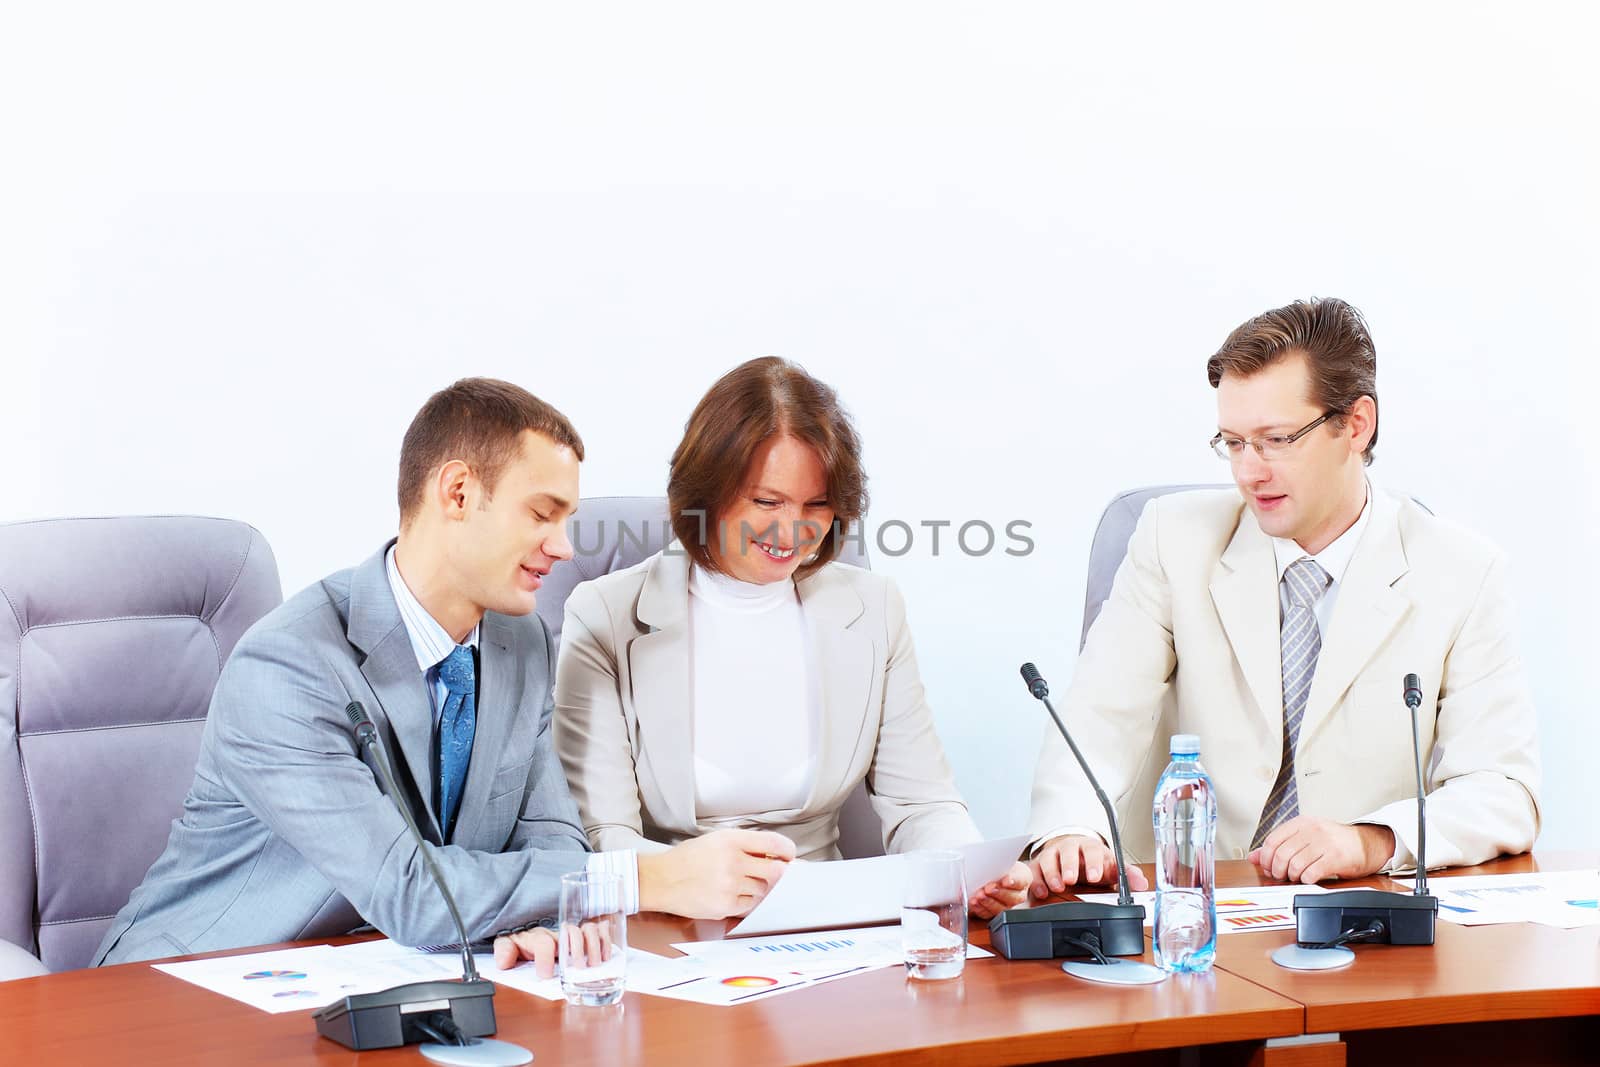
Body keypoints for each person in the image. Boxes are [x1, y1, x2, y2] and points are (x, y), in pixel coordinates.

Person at [95, 378, 794, 973]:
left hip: (390, 983)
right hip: (193, 990)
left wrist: (540, 914)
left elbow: (552, 835)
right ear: (458, 491)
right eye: (543, 513)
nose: (564, 545)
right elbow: (413, 891)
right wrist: (648, 877)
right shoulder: (287, 665)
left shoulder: (521, 642)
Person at [1027, 298, 1540, 897]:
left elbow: (1502, 789)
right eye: (1233, 442)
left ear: (1356, 424)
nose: (1249, 472)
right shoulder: (1174, 538)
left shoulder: (1461, 572)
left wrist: (1371, 839)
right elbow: (1097, 720)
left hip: (1355, 914)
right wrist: (1071, 829)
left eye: (1275, 440)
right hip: (1186, 908)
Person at [554, 357, 1030, 917]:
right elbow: (601, 837)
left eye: (816, 504)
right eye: (767, 502)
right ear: (708, 490)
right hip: (670, 927)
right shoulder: (605, 615)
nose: (792, 532)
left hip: (830, 928)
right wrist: (686, 881)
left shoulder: (874, 608)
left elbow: (921, 803)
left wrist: (970, 869)